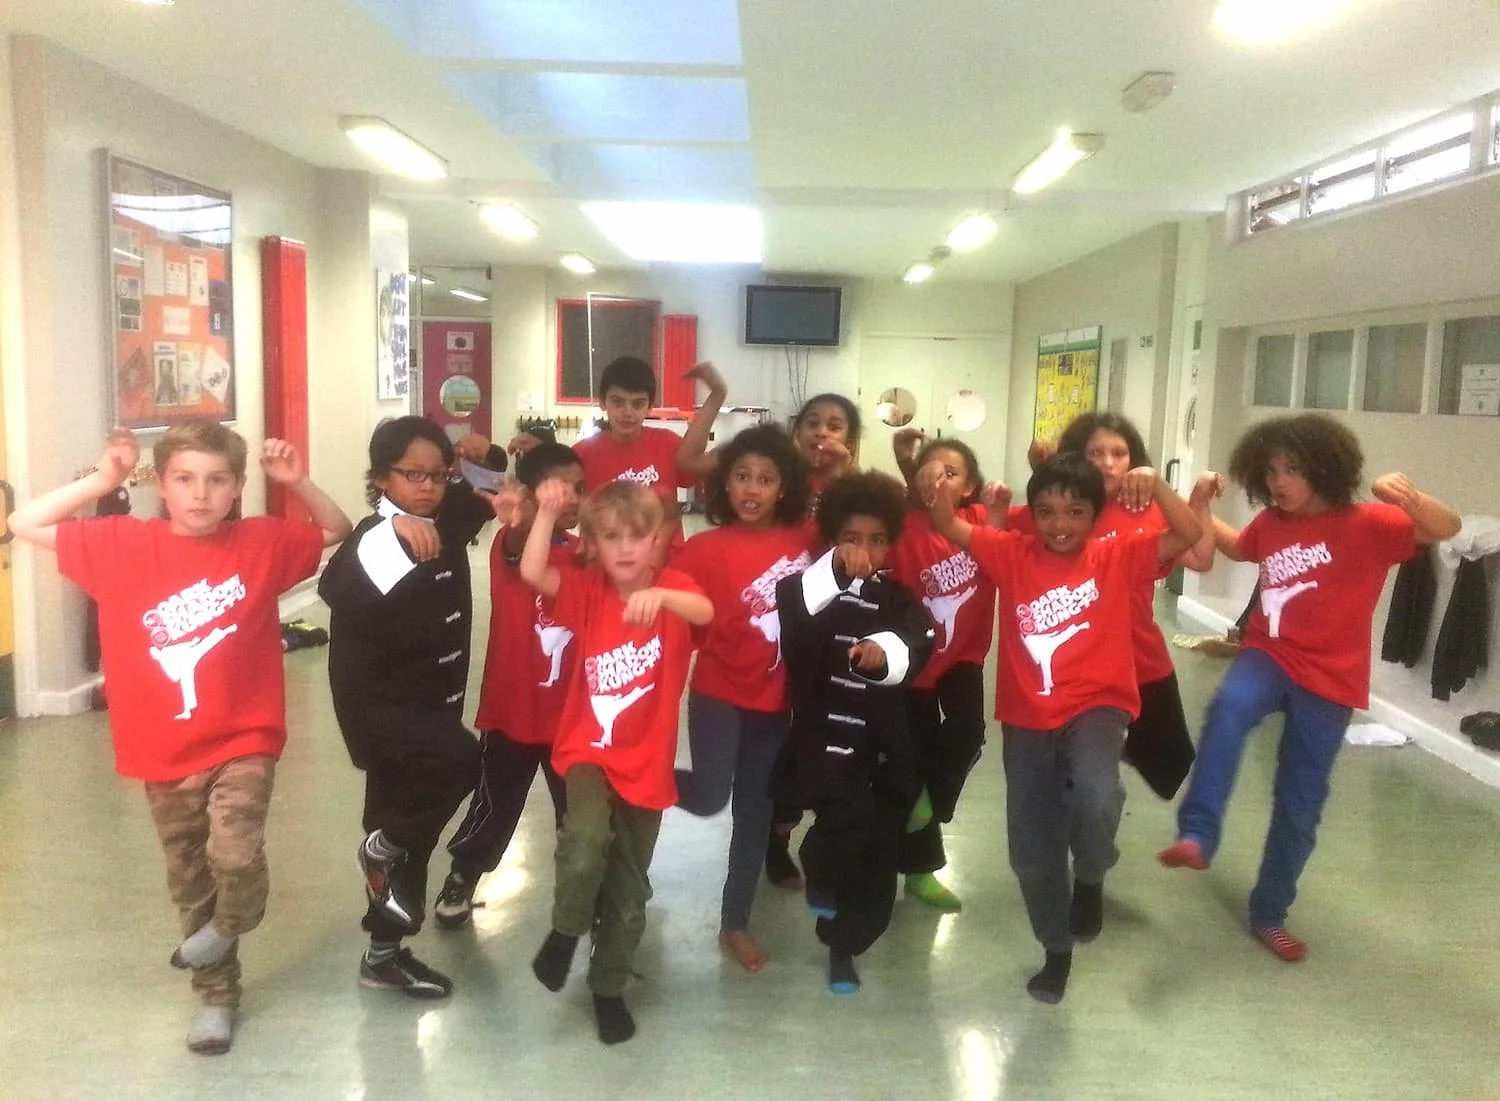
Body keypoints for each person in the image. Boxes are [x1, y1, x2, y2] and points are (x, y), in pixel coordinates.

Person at [9, 420, 351, 1054]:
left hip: (243, 735)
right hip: (161, 747)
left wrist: (296, 481)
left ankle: (224, 928)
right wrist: (103, 479)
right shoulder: (120, 545)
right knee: (189, 875)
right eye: (185, 480)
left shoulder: (259, 541)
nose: (201, 495)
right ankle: (218, 994)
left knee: (236, 854)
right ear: (160, 484)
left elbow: (335, 531)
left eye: (217, 481)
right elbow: (25, 523)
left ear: (238, 486)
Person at [1158, 413, 1460, 962]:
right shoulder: (1272, 524)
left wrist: (1409, 496)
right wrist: (1194, 506)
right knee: (1228, 708)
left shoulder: (1370, 523)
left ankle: (1269, 913)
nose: (1279, 482)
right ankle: (1198, 835)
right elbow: (1236, 545)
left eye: (1292, 469)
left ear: (1324, 467)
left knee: (1300, 802)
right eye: (1271, 470)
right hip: (1269, 655)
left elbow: (1447, 527)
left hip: (1332, 679)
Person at [924, 451, 1202, 1004]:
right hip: (1026, 717)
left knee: (1097, 792)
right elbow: (949, 525)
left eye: (1075, 512)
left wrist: (1159, 485)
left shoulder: (1117, 556)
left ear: (1095, 516)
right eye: (1047, 511)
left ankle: (1093, 874)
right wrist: (941, 492)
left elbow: (1188, 532)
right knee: (1030, 844)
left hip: (1098, 705)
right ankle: (1056, 950)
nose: (1059, 524)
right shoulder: (1010, 552)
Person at [319, 416, 507, 1000]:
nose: (427, 486)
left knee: (407, 834)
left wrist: (486, 453)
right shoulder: (376, 539)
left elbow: (487, 490)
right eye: (411, 476)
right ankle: (384, 848)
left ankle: (383, 955)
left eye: (437, 475)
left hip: (432, 705)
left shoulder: (444, 512)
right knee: (462, 764)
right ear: (381, 477)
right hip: (384, 711)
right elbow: (335, 588)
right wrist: (393, 531)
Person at [523, 479, 712, 1045]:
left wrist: (665, 599)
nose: (625, 548)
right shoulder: (586, 592)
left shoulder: (676, 589)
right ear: (593, 544)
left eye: (638, 536)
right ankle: (565, 932)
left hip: (648, 764)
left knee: (630, 895)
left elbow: (706, 608)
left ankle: (607, 988)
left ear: (658, 540)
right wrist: (546, 513)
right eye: (610, 537)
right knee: (583, 842)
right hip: (589, 749)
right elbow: (534, 572)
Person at [774, 471, 935, 995]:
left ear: (891, 544)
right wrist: (837, 580)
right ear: (830, 540)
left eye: (876, 539)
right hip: (825, 745)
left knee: (878, 864)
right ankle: (818, 871)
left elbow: (920, 637)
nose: (863, 550)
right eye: (851, 537)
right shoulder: (806, 592)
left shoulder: (899, 598)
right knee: (840, 827)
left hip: (882, 752)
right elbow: (796, 624)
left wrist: (885, 650)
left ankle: (846, 946)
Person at [1020, 413, 1221, 808]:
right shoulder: (1063, 510)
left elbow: (1200, 556)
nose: (1108, 463)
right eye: (1095, 453)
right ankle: (1086, 771)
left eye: (1119, 453)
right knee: (1074, 773)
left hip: (1141, 656)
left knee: (1172, 760)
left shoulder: (1145, 505)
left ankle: (1099, 755)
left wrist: (1197, 501)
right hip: (1078, 665)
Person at [672, 425, 814, 972]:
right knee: (709, 796)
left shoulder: (807, 540)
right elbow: (661, 612)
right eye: (742, 477)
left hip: (776, 700)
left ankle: (735, 923)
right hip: (717, 690)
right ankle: (634, 781)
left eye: (766, 479)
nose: (752, 489)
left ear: (784, 487)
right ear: (724, 484)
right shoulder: (702, 549)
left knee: (755, 813)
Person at [431, 441, 587, 929]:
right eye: (560, 489)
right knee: (493, 806)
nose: (571, 498)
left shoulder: (586, 554)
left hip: (573, 720)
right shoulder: (513, 540)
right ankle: (463, 874)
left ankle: (588, 897)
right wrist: (528, 512)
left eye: (578, 489)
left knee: (580, 819)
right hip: (513, 712)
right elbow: (521, 545)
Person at [886, 437, 997, 914]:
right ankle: (919, 872)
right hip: (913, 665)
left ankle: (931, 807)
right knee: (911, 763)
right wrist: (909, 467)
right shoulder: (904, 525)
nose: (940, 479)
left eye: (952, 473)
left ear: (970, 485)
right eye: (931, 471)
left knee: (969, 732)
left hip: (963, 657)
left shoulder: (979, 524)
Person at [766, 391, 864, 888]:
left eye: (835, 425)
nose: (822, 433)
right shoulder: (777, 481)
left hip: (829, 626)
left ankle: (797, 831)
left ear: (852, 440)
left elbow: (869, 530)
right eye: (812, 423)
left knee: (815, 733)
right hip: (773, 617)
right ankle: (772, 837)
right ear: (795, 431)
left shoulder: (855, 489)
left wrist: (846, 475)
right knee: (778, 735)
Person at [516, 356, 725, 554]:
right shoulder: (583, 453)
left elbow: (693, 461)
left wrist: (717, 394)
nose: (627, 412)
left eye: (637, 403)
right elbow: (558, 490)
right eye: (618, 402)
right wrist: (542, 451)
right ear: (602, 402)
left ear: (650, 406)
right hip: (607, 564)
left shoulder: (667, 443)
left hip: (665, 561)